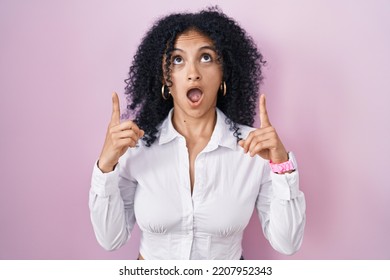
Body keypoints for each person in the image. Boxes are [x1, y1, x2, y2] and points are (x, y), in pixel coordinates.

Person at [89, 7, 306, 260]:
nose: (193, 72)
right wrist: (106, 165)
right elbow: (110, 238)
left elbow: (288, 243)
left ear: (223, 73)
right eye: (178, 60)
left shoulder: (254, 149)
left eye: (206, 58)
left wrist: (282, 167)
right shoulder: (135, 146)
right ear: (165, 78)